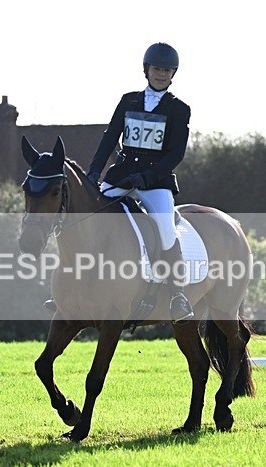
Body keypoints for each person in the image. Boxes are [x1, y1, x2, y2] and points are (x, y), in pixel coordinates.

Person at [85, 42, 194, 324]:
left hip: (155, 182)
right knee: (89, 214)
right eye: (157, 68)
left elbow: (175, 154)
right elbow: (110, 136)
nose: (161, 74)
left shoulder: (180, 109)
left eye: (167, 70)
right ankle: (76, 284)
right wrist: (95, 171)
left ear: (173, 74)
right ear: (146, 70)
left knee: (165, 228)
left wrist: (146, 177)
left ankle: (177, 295)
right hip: (121, 175)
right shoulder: (128, 100)